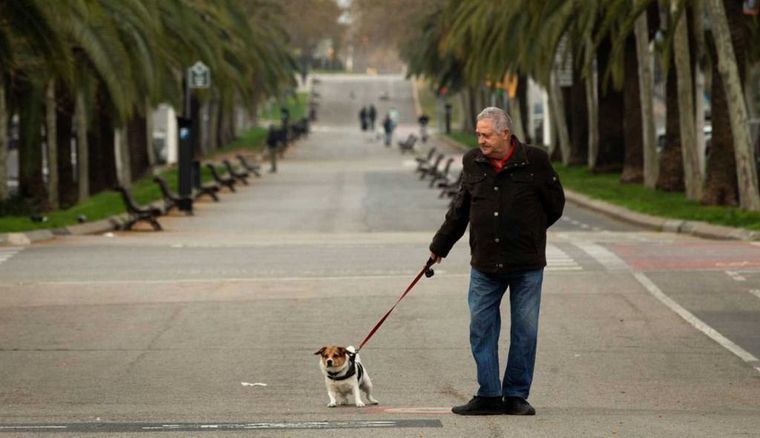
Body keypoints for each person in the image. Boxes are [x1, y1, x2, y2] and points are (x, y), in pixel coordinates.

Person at [428, 107, 565, 416]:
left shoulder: (535, 161)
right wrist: (440, 246)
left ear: (506, 134)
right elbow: (460, 207)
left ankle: (516, 395)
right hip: (485, 262)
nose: (481, 140)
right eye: (478, 134)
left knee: (524, 331)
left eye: (486, 134)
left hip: (526, 262)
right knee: (481, 327)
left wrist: (530, 230)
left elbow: (555, 205)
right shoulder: (472, 162)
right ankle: (489, 394)